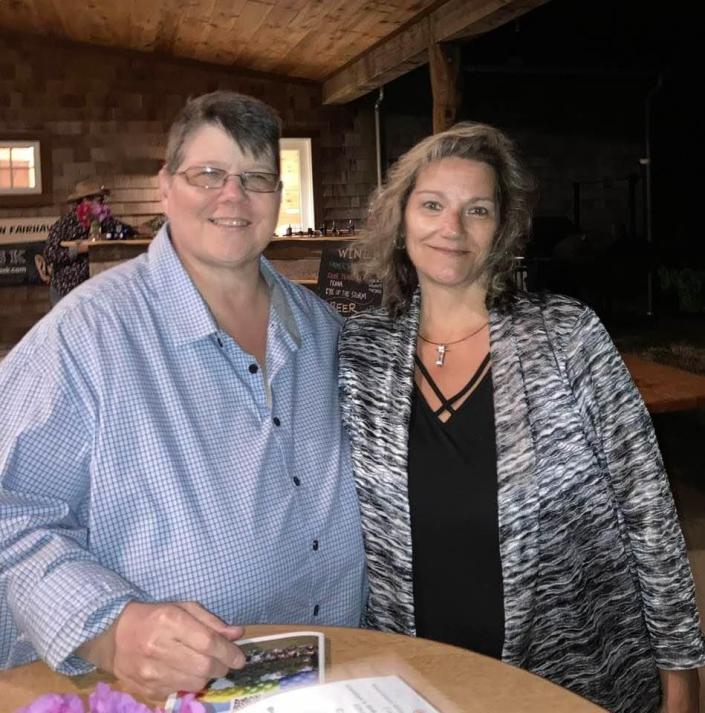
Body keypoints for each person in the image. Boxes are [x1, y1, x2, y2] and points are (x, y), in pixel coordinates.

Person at [0, 91, 366, 699]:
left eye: (257, 178)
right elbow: (9, 511)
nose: (234, 196)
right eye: (209, 174)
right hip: (149, 698)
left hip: (339, 681)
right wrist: (111, 629)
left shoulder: (323, 330)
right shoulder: (86, 335)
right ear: (166, 187)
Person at [337, 122, 704, 713]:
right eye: (432, 204)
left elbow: (648, 507)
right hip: (417, 676)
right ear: (401, 219)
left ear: (502, 229)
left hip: (574, 675)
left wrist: (682, 670)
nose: (451, 228)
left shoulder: (566, 335)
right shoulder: (362, 352)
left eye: (476, 210)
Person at [43, 179, 135, 305]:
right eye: (98, 200)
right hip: (66, 290)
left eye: (101, 200)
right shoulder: (64, 224)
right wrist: (79, 249)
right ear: (85, 201)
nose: (101, 203)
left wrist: (137, 230)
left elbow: (125, 230)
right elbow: (50, 254)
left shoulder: (103, 220)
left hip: (93, 292)